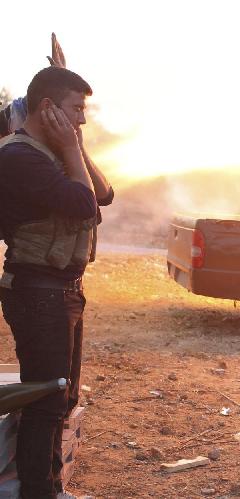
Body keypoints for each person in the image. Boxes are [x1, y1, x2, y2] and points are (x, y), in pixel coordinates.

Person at [0, 66, 114, 499]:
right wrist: (68, 146)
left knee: (60, 400)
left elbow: (104, 194)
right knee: (45, 404)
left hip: (62, 291)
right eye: (77, 109)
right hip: (37, 293)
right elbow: (84, 205)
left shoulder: (53, 154)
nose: (83, 119)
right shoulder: (19, 157)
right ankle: (38, 492)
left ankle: (49, 488)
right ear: (48, 108)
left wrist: (75, 147)